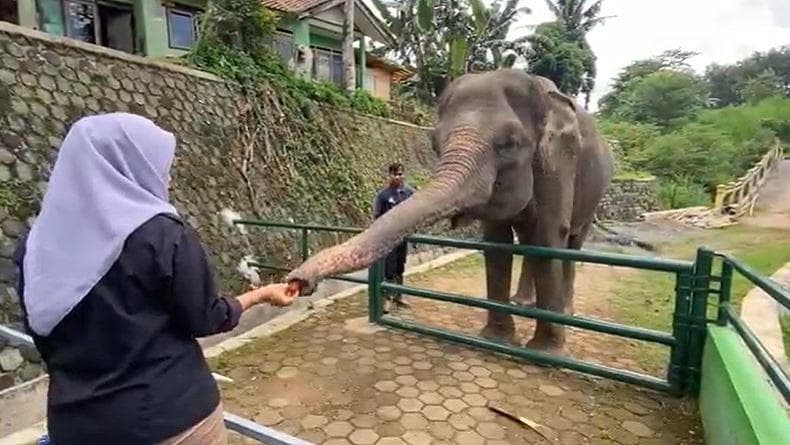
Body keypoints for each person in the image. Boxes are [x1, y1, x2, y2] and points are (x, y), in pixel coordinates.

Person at [13, 113, 296, 445]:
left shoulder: (34, 248)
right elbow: (206, 317)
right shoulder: (162, 235)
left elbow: (43, 329)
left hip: (77, 426)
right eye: (162, 166)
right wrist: (260, 295)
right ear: (128, 166)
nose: (169, 178)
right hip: (170, 418)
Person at [373, 162, 415, 311]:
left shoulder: (409, 193)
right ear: (389, 175)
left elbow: (415, 212)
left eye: (400, 174)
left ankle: (399, 296)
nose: (398, 177)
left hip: (402, 237)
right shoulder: (383, 196)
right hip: (388, 239)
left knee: (400, 267)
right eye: (395, 174)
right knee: (389, 269)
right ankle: (387, 298)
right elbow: (377, 216)